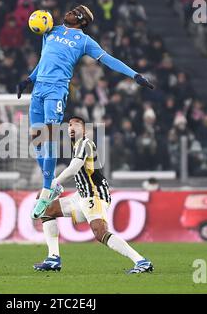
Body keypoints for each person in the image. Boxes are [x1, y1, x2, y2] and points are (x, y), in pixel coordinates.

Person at [16, 5, 154, 219]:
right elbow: (44, 59)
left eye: (75, 12)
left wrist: (135, 75)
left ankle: (46, 191)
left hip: (56, 89)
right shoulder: (50, 29)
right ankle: (53, 185)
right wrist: (28, 80)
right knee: (36, 140)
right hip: (39, 89)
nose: (69, 11)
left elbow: (109, 60)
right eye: (70, 9)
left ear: (82, 20)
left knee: (50, 136)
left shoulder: (85, 41)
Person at [33, 116, 153, 274]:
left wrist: (52, 185)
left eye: (76, 124)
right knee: (47, 211)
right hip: (81, 195)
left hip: (95, 195)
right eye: (69, 125)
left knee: (100, 233)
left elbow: (73, 169)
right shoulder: (75, 146)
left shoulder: (85, 143)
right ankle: (53, 259)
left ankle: (141, 261)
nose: (71, 127)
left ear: (84, 130)